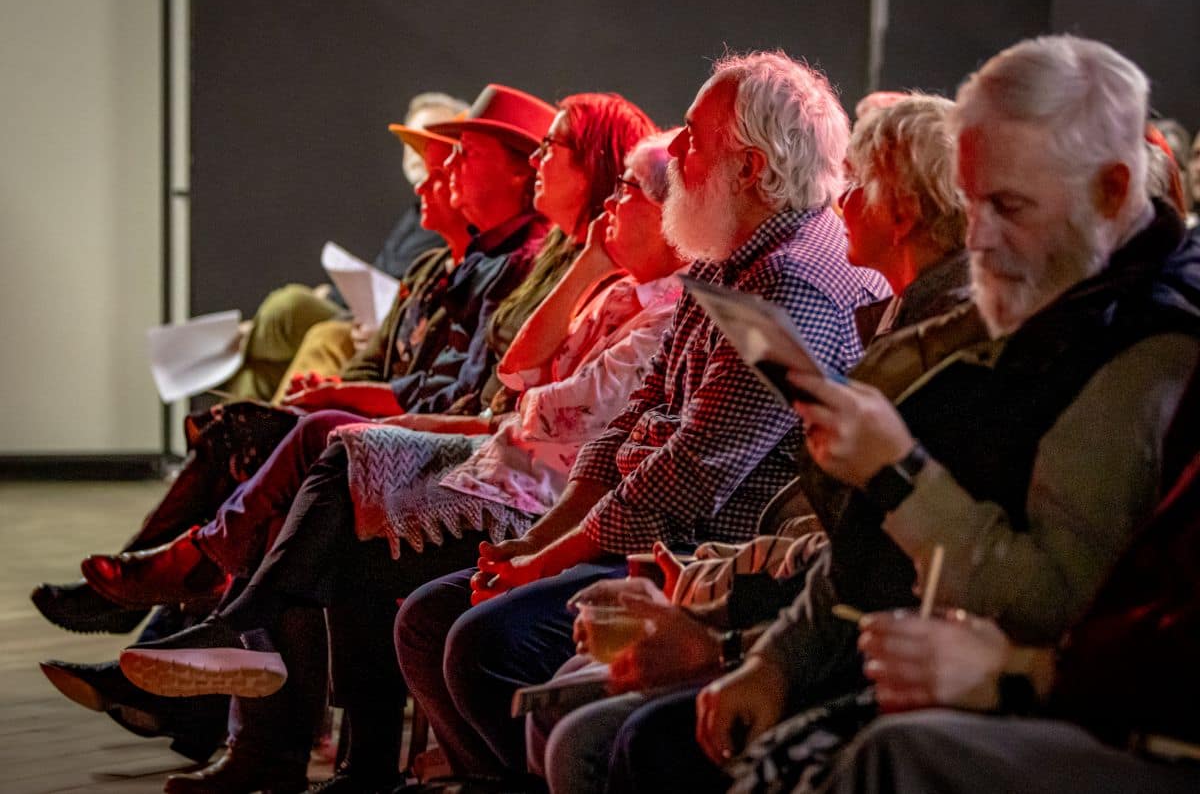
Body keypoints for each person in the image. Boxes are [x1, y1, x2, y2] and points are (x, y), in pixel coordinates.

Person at [606, 34, 1200, 794]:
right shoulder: (1050, 295)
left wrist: (895, 472)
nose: (975, 236)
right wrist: (773, 660)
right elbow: (866, 548)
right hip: (897, 650)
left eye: (1008, 205)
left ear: (1112, 193)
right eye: (972, 201)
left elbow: (1056, 603)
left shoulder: (1146, 348)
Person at [118, 98, 660, 794]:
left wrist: (447, 415)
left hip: (536, 492)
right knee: (311, 464)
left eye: (552, 151)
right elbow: (515, 379)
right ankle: (262, 690)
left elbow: (536, 408)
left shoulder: (631, 290)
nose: (538, 164)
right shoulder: (556, 268)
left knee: (332, 465)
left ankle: (222, 623)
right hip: (512, 462)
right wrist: (583, 269)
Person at [394, 50, 890, 780]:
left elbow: (690, 474)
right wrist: (541, 540)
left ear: (750, 168)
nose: (674, 150)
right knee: (428, 618)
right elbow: (635, 415)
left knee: (483, 644)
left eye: (693, 136)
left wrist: (547, 559)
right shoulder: (724, 257)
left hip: (701, 557)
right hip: (648, 534)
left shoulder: (793, 284)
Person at [529, 93, 978, 794]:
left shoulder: (911, 331)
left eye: (858, 185)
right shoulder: (884, 312)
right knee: (555, 697)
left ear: (903, 214)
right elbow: (637, 412)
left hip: (829, 621)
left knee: (583, 726)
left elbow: (878, 556)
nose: (839, 201)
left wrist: (728, 634)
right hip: (756, 575)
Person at [811, 440, 1200, 794]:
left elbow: (1067, 605)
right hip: (1078, 684)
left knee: (894, 754)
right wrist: (779, 658)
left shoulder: (1131, 402)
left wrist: (1021, 671)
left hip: (1118, 711)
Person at [224, 91, 465, 403]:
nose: (417, 153)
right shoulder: (417, 214)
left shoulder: (455, 221)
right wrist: (337, 297)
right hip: (379, 322)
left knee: (297, 311)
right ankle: (237, 430)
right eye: (411, 142)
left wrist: (387, 333)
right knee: (257, 372)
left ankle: (240, 346)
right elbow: (386, 280)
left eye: (430, 141)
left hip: (396, 332)